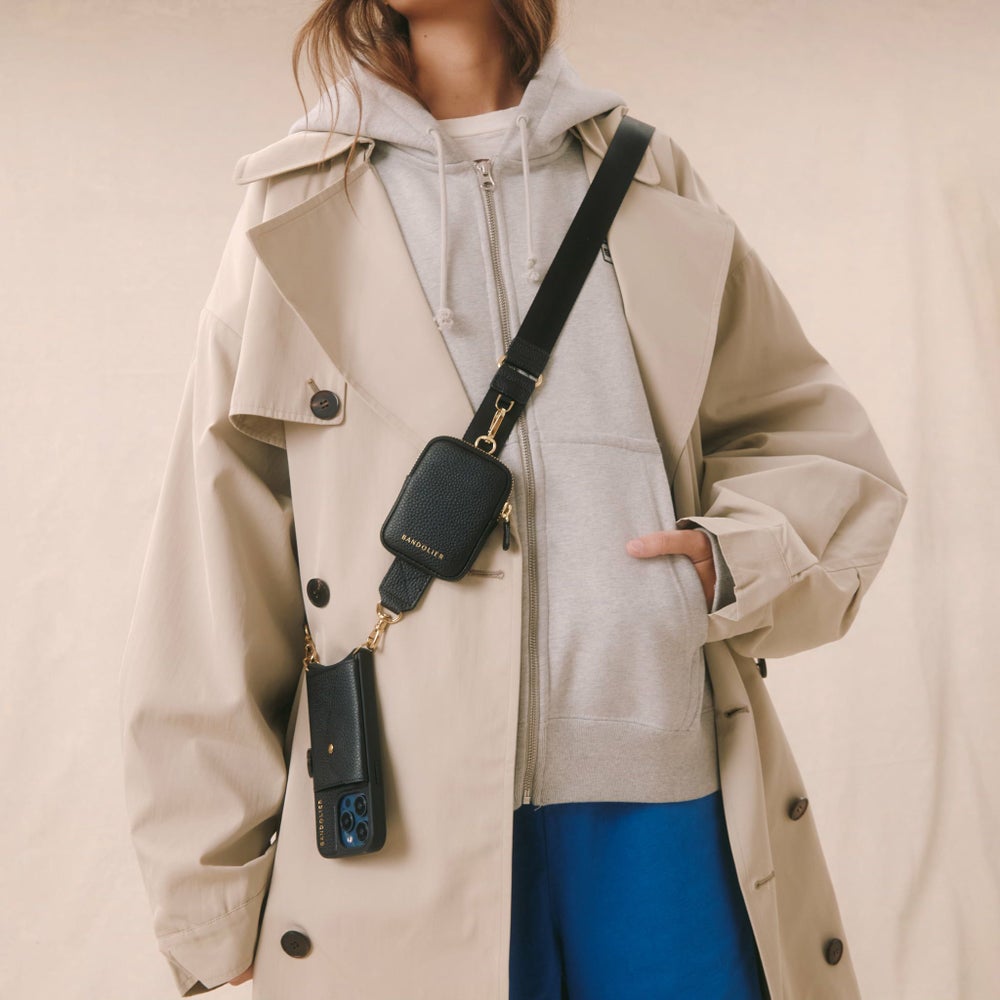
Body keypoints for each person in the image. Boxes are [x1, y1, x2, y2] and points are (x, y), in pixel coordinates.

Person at [118, 1, 908, 997]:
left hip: (660, 789)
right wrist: (210, 889)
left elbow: (807, 431)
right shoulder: (295, 207)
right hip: (404, 826)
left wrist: (723, 561)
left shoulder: (644, 178)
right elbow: (214, 556)